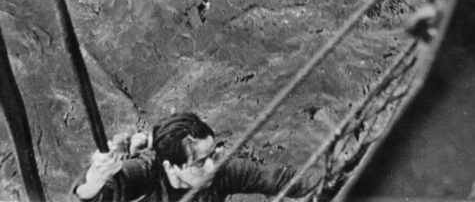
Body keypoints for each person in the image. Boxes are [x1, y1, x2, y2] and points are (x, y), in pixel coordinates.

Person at [73, 111, 317, 202]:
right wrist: (94, 179)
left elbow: (283, 179)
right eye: (201, 162)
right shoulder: (145, 173)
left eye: (212, 154)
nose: (212, 165)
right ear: (171, 167)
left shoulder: (221, 170)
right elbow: (88, 195)